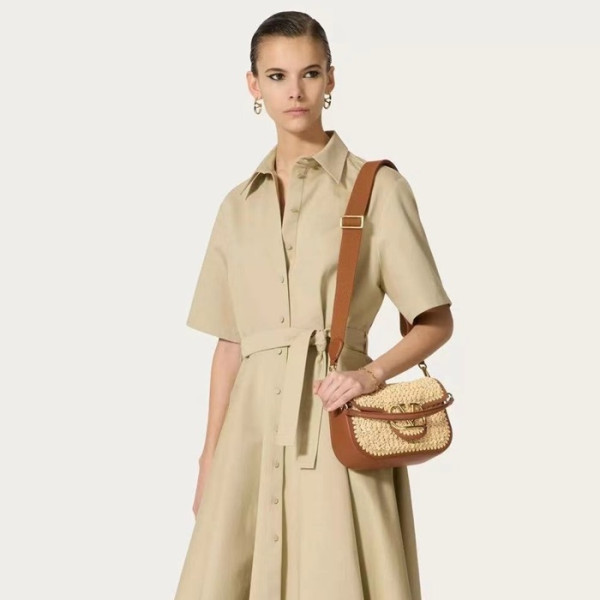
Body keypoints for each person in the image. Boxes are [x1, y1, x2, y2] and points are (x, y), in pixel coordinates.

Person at [173, 10, 453, 600]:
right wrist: (209, 459)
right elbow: (230, 346)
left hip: (335, 423)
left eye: (309, 73)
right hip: (248, 440)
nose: (294, 91)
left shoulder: (376, 189)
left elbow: (434, 321)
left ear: (330, 78)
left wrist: (368, 375)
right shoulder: (236, 207)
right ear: (253, 85)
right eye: (277, 76)